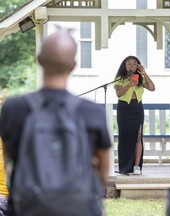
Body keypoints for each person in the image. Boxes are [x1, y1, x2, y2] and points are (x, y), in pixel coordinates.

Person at [0, 29, 111, 216]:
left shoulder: (13, 109)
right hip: (79, 208)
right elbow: (102, 173)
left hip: (27, 207)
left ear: (39, 59)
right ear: (74, 65)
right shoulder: (91, 112)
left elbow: (8, 162)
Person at [114, 56, 155, 175]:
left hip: (137, 108)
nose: (131, 65)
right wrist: (129, 84)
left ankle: (137, 166)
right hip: (124, 108)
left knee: (138, 136)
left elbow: (152, 88)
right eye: (129, 64)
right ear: (125, 66)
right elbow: (119, 93)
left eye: (134, 63)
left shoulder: (140, 79)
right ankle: (124, 167)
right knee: (125, 136)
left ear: (138, 66)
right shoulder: (119, 79)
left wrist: (144, 73)